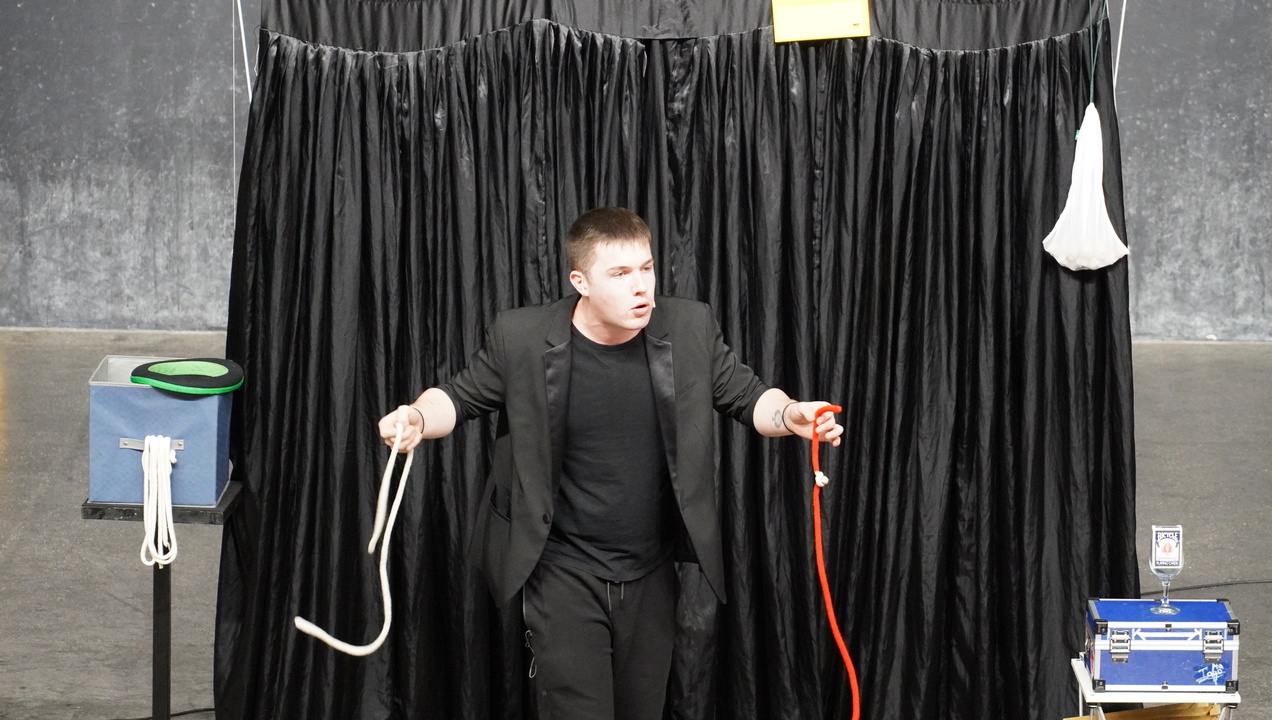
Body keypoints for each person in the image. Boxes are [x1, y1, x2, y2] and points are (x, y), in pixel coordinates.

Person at [377, 207, 843, 720]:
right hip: (563, 569)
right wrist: (417, 417)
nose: (641, 287)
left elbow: (749, 397)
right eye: (620, 274)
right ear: (581, 282)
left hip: (650, 570)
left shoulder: (689, 326)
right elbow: (457, 398)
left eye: (646, 268)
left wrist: (792, 415)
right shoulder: (522, 337)